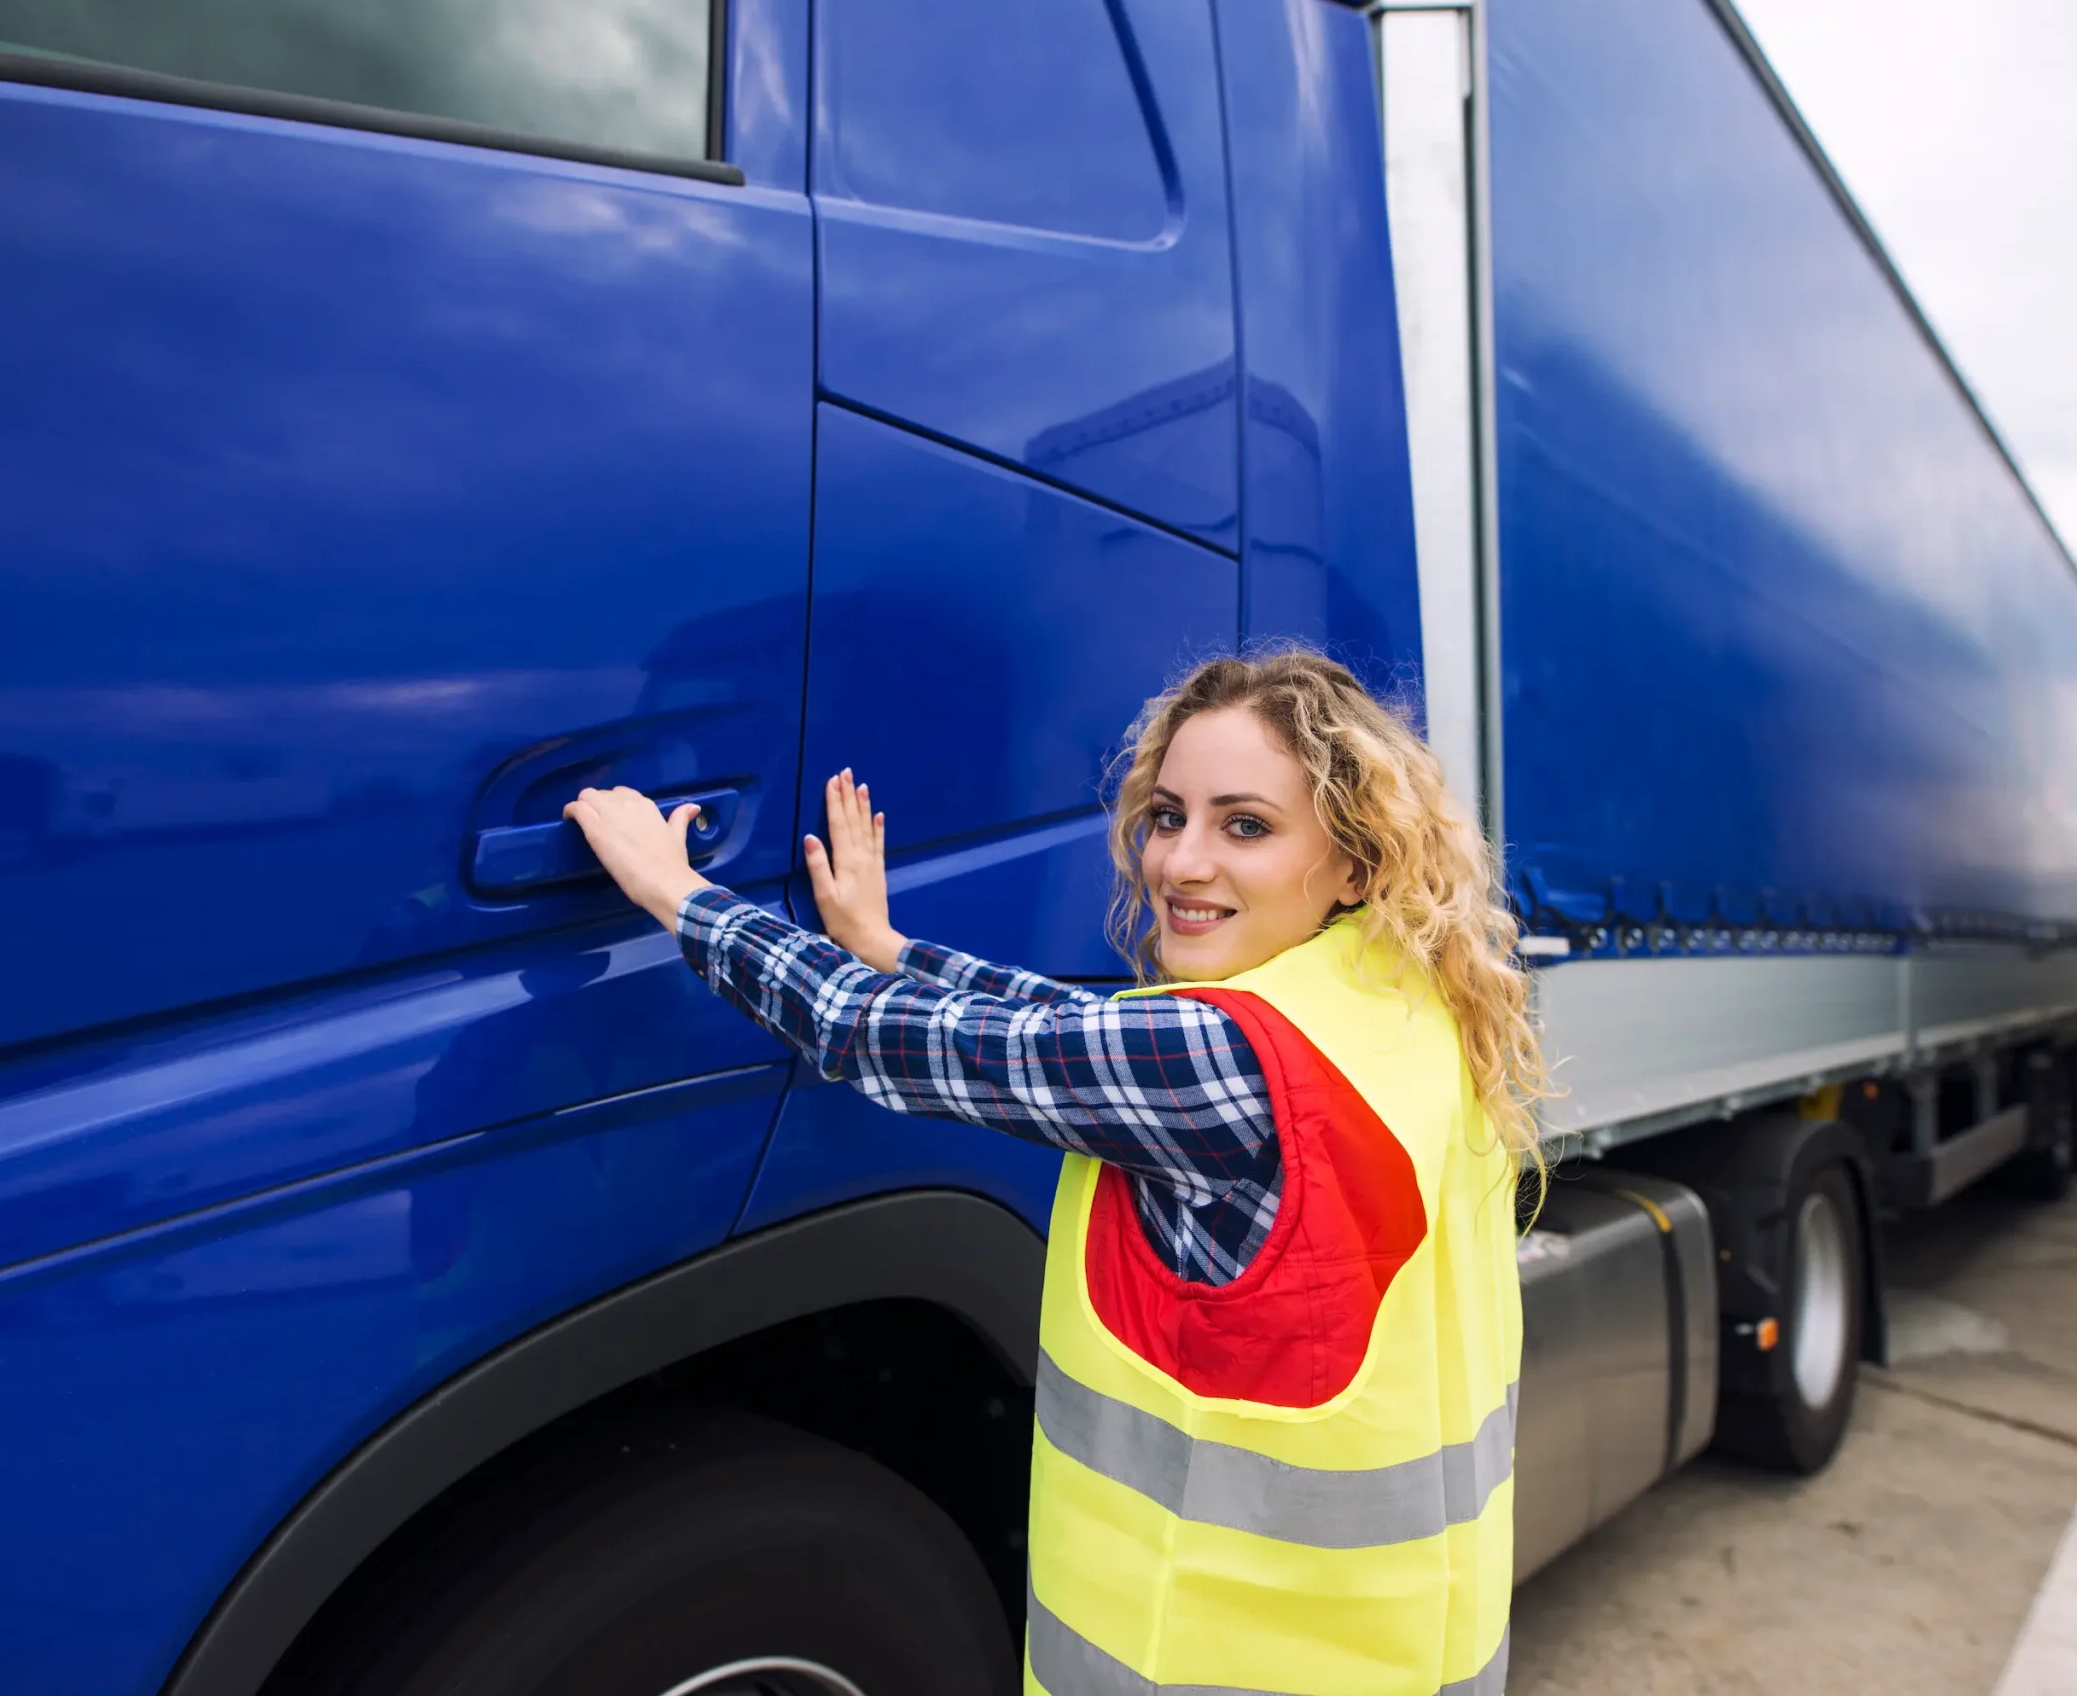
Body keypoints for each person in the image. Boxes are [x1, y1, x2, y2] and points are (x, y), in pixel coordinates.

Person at [567, 648, 1544, 1696]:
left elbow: (860, 1032)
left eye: (1245, 824)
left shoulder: (1227, 1061)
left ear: (1355, 861)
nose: (1179, 861)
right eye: (1168, 815)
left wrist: (677, 891)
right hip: (1396, 1652)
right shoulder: (1391, 1009)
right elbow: (1079, 1031)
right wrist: (890, 944)